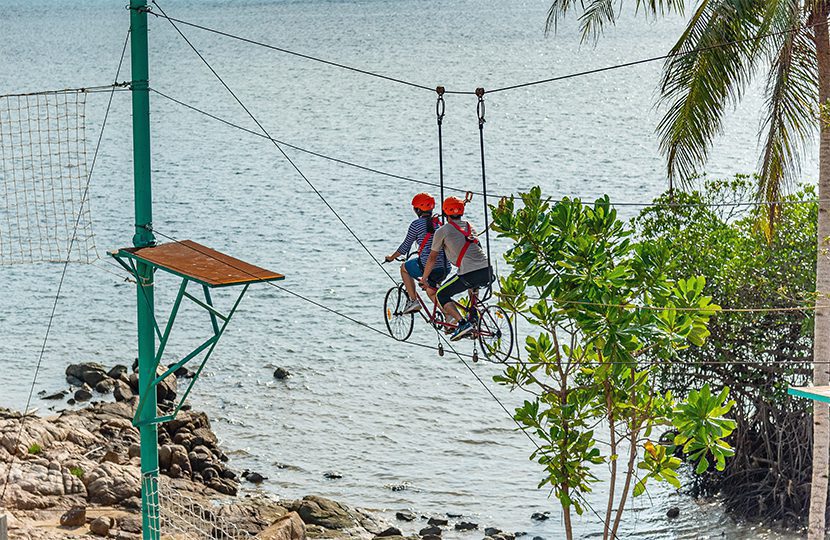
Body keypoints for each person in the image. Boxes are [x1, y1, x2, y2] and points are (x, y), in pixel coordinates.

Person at [420, 196, 493, 341]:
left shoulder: (442, 231)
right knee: (473, 286)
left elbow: (432, 258)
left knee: (442, 294)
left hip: (469, 272)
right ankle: (473, 316)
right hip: (487, 271)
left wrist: (424, 278)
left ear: (445, 212)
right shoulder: (470, 227)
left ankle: (462, 323)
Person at [385, 193, 450, 314]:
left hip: (428, 265)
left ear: (417, 209)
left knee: (404, 268)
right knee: (433, 291)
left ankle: (413, 301)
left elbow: (405, 246)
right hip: (445, 266)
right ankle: (448, 317)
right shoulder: (439, 223)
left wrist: (391, 257)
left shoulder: (416, 225)